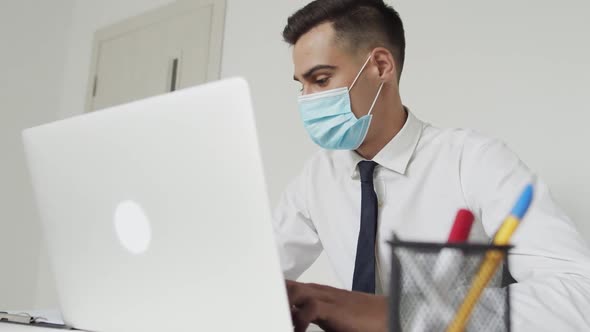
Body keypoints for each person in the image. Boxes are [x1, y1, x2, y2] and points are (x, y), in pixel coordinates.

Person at [273, 1, 590, 331]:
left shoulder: (474, 161)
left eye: (321, 80)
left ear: (381, 65)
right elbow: (254, 276)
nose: (307, 100)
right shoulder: (316, 177)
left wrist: (397, 314)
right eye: (301, 85)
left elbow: (581, 293)